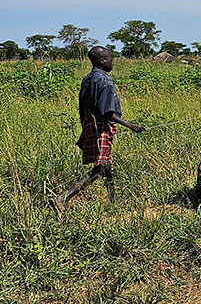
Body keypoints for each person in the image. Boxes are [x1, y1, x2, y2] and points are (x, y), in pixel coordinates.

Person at [50, 46, 144, 219]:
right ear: (102, 61)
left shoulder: (87, 79)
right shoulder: (105, 80)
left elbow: (82, 107)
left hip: (89, 121)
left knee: (105, 162)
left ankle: (113, 201)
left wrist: (85, 127)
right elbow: (107, 112)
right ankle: (63, 198)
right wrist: (131, 125)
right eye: (111, 60)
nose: (112, 63)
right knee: (100, 167)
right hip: (101, 124)